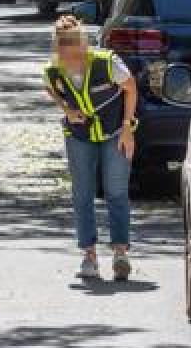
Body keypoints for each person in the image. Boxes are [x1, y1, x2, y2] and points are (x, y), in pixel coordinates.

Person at [43, 16, 138, 281]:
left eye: (75, 53)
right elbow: (50, 89)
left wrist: (128, 128)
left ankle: (120, 253)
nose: (71, 59)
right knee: (82, 195)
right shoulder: (54, 70)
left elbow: (130, 88)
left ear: (83, 46)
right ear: (58, 49)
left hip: (114, 134)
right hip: (78, 137)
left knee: (116, 191)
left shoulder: (107, 62)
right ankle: (89, 255)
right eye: (65, 53)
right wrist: (67, 111)